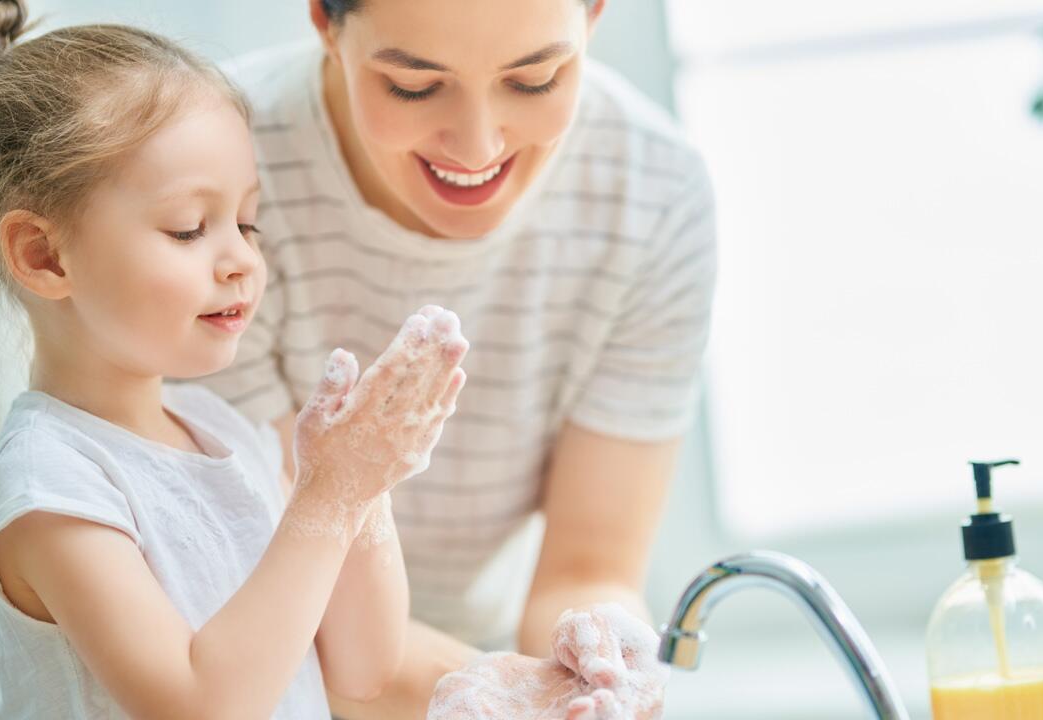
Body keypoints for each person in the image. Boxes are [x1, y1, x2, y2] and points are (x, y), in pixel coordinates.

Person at [0, 1, 469, 716]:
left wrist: (363, 484)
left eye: (248, 222)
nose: (243, 260)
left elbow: (364, 662)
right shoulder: (50, 485)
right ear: (43, 255)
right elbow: (200, 704)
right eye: (190, 228)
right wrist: (327, 497)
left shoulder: (215, 428)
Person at [200, 0, 718, 716]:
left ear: (595, 12)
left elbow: (587, 566)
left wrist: (594, 670)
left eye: (535, 79)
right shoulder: (210, 174)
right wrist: (500, 692)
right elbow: (275, 585)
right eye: (413, 86)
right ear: (324, 19)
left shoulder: (654, 196)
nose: (477, 147)